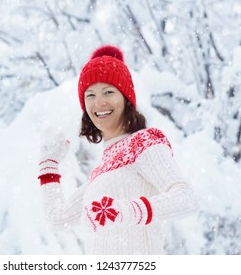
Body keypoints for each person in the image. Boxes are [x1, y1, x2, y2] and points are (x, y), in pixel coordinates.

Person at [37, 45, 198, 254]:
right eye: (90, 95)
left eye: (109, 92)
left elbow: (186, 198)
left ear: (126, 98)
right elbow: (58, 219)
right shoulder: (103, 171)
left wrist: (126, 211)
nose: (99, 102)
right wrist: (48, 165)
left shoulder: (143, 143)